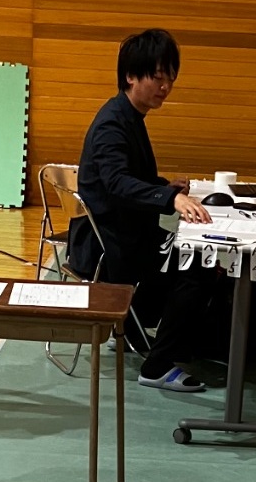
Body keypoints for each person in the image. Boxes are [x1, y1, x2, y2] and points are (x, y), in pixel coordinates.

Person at [70, 29, 213, 394]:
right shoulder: (113, 123)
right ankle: (157, 366)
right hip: (111, 243)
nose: (165, 87)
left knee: (196, 257)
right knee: (197, 266)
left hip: (126, 233)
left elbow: (127, 177)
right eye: (158, 77)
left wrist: (164, 187)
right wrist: (170, 200)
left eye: (170, 79)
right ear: (131, 76)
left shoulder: (128, 115)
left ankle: (135, 328)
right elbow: (117, 183)